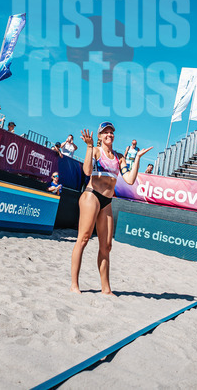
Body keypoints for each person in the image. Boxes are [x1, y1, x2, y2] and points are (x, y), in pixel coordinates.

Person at [70, 122, 151, 295]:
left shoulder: (119, 156)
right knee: (83, 239)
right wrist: (89, 147)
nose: (109, 134)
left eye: (111, 132)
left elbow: (129, 179)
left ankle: (106, 289)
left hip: (107, 201)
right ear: (99, 136)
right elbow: (86, 171)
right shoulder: (96, 151)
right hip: (91, 196)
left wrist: (137, 159)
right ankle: (74, 285)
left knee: (106, 246)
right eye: (105, 132)